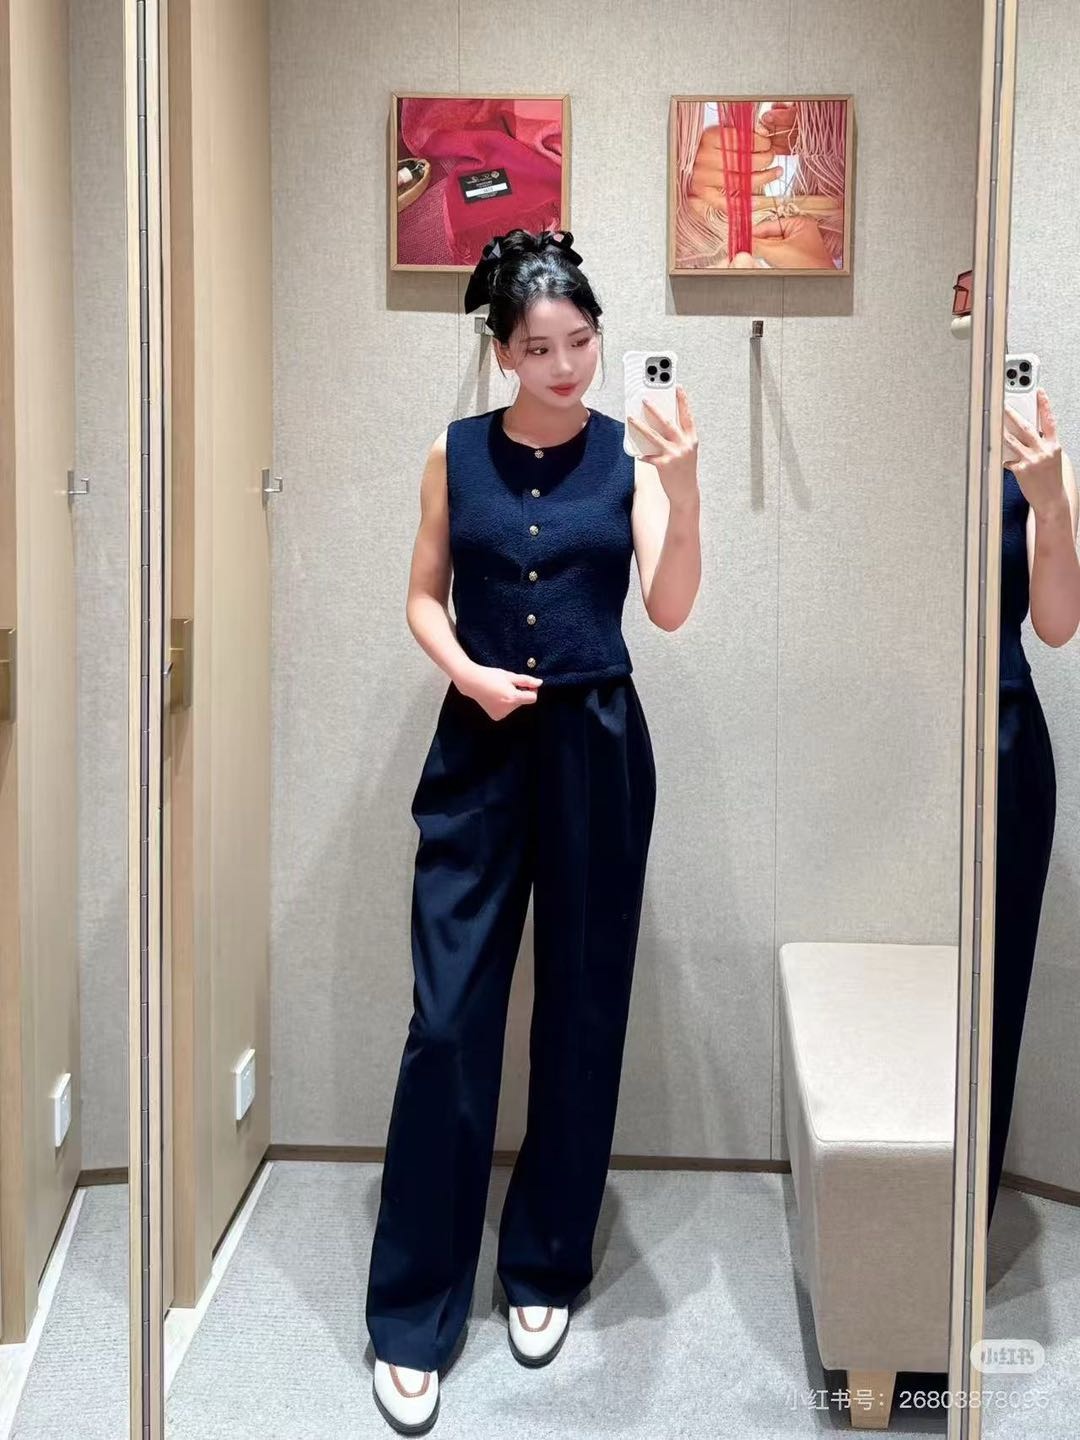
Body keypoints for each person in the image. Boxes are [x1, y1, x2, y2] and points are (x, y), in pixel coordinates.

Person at [365, 228, 702, 1434]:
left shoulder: (633, 456)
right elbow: (422, 594)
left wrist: (686, 486)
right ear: (502, 352)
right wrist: (466, 671)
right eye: (541, 349)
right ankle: (413, 1312)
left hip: (597, 746)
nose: (566, 368)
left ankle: (546, 1260)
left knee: (582, 1005)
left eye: (581, 343)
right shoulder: (454, 455)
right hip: (480, 747)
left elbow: (670, 607)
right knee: (449, 1018)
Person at [989, 388, 1079, 1225]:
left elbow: (1055, 626)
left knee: (994, 994)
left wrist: (1051, 507)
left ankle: (962, 1233)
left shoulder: (1040, 461)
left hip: (1005, 736)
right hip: (894, 744)